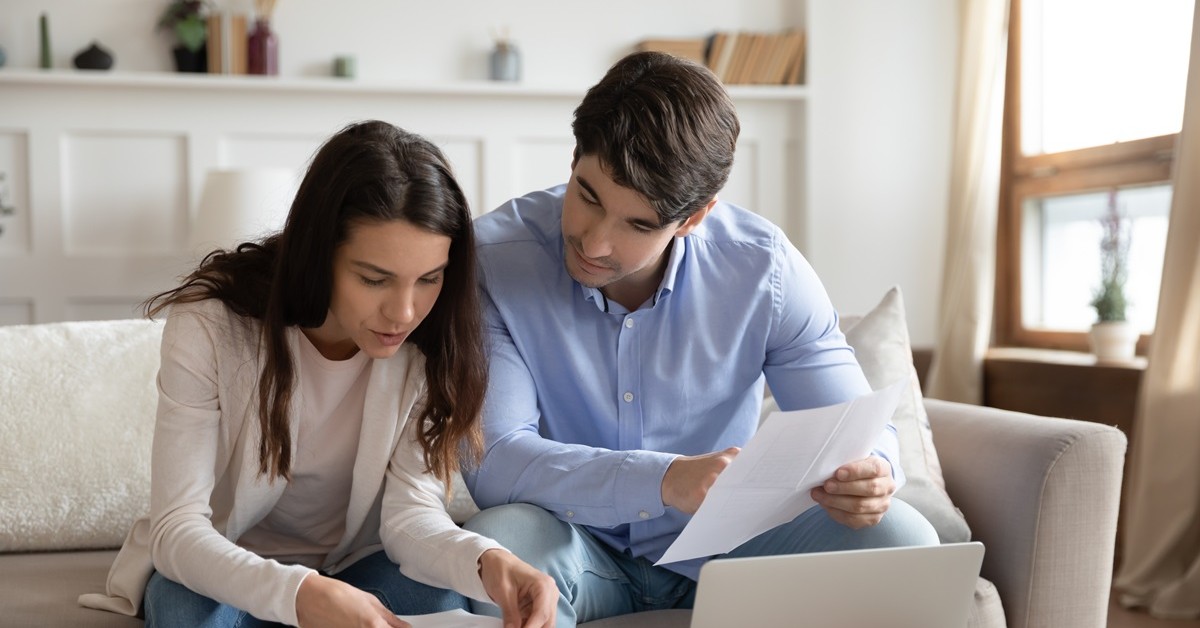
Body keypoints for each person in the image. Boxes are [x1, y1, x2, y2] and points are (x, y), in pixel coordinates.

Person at [461, 52, 939, 626]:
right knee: (498, 540)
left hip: (732, 552)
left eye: (638, 225)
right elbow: (496, 464)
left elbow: (855, 427)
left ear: (695, 217)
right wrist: (663, 480)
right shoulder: (491, 261)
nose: (593, 242)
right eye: (587, 196)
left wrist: (873, 471)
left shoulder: (765, 272)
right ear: (573, 158)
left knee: (904, 536)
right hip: (573, 546)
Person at [78, 120, 556, 628]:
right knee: (186, 614)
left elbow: (410, 516)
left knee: (442, 602)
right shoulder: (210, 325)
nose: (404, 311)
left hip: (352, 567)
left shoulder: (432, 342)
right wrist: (301, 594)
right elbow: (178, 529)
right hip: (220, 563)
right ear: (318, 253)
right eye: (375, 279)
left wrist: (487, 561)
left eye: (429, 279)